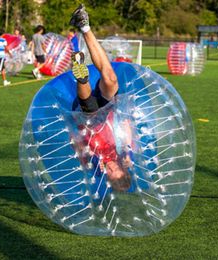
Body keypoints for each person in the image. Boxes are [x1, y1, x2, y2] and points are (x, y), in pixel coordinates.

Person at [70, 4, 133, 192]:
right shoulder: (124, 155)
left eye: (112, 172)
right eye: (118, 170)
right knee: (111, 79)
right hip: (107, 111)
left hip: (87, 117)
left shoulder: (94, 166)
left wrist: (83, 151)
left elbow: (75, 140)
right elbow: (126, 125)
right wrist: (127, 148)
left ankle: (81, 75)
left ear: (107, 176)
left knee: (89, 106)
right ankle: (84, 26)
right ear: (123, 169)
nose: (113, 168)